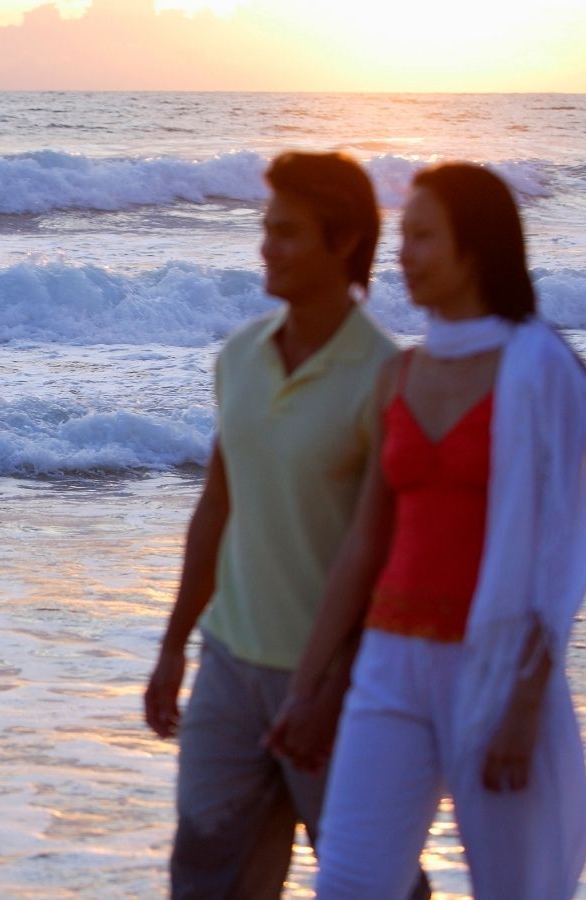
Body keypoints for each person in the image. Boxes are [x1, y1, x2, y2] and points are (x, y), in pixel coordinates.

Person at [265, 163, 586, 898]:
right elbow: (367, 544)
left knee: (513, 887)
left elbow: (561, 561)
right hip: (390, 662)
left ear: (476, 248)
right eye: (402, 235)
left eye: (423, 236)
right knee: (350, 885)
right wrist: (307, 688)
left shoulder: (541, 369)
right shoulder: (399, 375)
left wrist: (526, 705)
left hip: (492, 671)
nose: (403, 253)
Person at [142, 151, 405, 899]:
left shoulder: (386, 377)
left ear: (346, 240)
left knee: (371, 882)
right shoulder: (241, 357)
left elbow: (387, 554)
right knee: (205, 878)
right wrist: (173, 647)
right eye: (266, 227)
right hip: (228, 672)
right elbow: (217, 508)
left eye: (287, 231)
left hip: (335, 687)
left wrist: (330, 685)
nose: (266, 246)